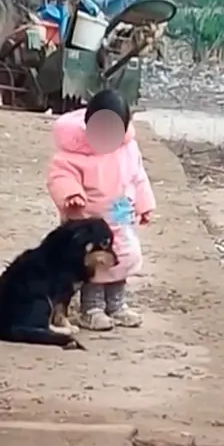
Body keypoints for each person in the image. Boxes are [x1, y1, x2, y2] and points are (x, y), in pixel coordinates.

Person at [47, 90, 156, 331]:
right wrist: (71, 193)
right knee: (94, 264)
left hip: (119, 214)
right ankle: (91, 308)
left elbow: (138, 177)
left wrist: (144, 203)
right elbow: (60, 175)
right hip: (89, 218)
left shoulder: (128, 149)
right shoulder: (74, 151)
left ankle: (117, 305)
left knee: (123, 256)